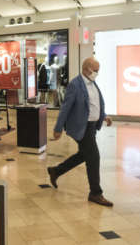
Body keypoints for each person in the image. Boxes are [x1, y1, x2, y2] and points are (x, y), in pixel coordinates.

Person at [47, 57, 114, 207]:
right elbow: (65, 108)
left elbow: (94, 105)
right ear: (86, 68)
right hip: (81, 127)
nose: (97, 73)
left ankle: (56, 171)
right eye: (95, 70)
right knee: (94, 157)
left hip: (91, 127)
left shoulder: (93, 84)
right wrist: (58, 128)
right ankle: (96, 193)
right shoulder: (75, 84)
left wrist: (104, 116)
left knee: (84, 154)